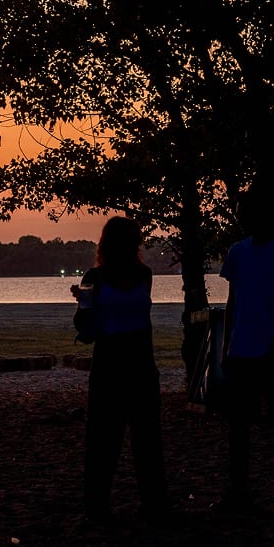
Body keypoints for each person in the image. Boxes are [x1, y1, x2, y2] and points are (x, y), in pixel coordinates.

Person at [218, 186, 274, 515]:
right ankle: (240, 491)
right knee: (239, 429)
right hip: (243, 350)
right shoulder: (237, 252)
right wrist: (227, 345)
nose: (242, 219)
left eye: (247, 212)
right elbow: (232, 301)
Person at [72, 216, 167, 522]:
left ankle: (107, 505)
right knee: (119, 437)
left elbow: (84, 328)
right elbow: (86, 327)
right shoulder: (125, 276)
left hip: (126, 361)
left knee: (122, 438)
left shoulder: (137, 274)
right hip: (125, 360)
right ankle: (145, 504)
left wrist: (85, 306)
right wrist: (84, 304)